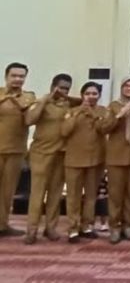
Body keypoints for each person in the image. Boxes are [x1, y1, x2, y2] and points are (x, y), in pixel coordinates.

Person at [24, 73, 79, 244]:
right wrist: (45, 100)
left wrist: (65, 97)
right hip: (41, 153)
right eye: (61, 87)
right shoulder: (41, 102)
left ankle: (50, 228)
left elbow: (83, 101)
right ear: (53, 86)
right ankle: (32, 230)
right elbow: (29, 119)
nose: (63, 91)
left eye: (67, 89)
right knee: (37, 193)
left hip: (61, 153)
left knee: (55, 193)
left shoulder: (69, 104)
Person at [100, 76, 130, 244]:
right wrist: (119, 116)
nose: (129, 88)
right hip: (116, 156)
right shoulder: (113, 106)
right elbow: (104, 128)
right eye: (126, 85)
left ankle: (128, 225)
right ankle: (114, 226)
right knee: (115, 194)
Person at [61, 81, 105, 243]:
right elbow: (64, 131)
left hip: (95, 159)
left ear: (99, 96)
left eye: (94, 94)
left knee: (91, 195)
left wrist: (92, 114)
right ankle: (73, 228)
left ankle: (87, 226)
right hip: (74, 159)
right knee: (73, 196)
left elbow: (104, 128)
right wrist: (79, 112)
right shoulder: (72, 111)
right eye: (87, 94)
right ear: (82, 95)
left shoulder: (103, 111)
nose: (91, 97)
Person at [0, 62, 35, 237]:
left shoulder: (28, 96)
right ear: (6, 76)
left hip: (15, 150)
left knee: (8, 191)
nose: (17, 79)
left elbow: (29, 118)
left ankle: (2, 224)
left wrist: (15, 99)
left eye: (21, 76)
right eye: (14, 76)